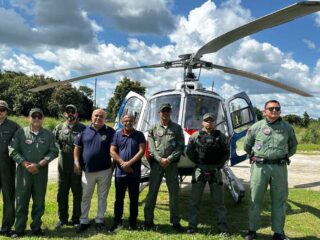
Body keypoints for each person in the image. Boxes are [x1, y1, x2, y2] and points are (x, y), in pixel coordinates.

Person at [244, 100, 298, 240]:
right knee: (255, 198)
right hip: (259, 167)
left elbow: (293, 146)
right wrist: (255, 156)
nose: (274, 110)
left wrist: (282, 157)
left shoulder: (287, 127)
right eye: (271, 108)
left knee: (279, 200)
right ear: (265, 111)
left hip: (279, 168)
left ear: (280, 110)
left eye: (277, 108)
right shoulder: (256, 127)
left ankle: (279, 232)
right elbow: (247, 145)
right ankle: (252, 230)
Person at [9, 108, 58, 237]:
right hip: (23, 173)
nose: (36, 119)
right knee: (21, 200)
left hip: (40, 173)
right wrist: (25, 164)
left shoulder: (48, 134)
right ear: (28, 118)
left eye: (39, 116)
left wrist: (40, 164)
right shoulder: (20, 133)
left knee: (39, 201)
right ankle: (19, 229)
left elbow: (54, 151)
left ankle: (36, 227)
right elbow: (12, 150)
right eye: (33, 116)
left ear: (43, 118)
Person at [186, 113, 230, 235]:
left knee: (219, 202)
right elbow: (189, 153)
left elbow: (226, 154)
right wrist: (198, 164)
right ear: (202, 122)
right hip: (200, 170)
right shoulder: (195, 136)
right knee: (195, 201)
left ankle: (223, 228)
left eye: (211, 120)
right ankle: (192, 226)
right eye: (206, 120)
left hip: (216, 171)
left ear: (214, 122)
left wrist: (219, 167)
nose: (209, 123)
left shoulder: (221, 136)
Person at [143, 103, 185, 231]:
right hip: (157, 164)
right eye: (163, 111)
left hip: (171, 165)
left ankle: (175, 221)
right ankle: (148, 220)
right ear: (159, 113)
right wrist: (159, 159)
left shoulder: (177, 128)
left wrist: (170, 159)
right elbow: (150, 147)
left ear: (170, 112)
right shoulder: (153, 128)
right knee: (152, 193)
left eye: (167, 111)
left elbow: (180, 146)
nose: (165, 113)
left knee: (174, 193)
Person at [74, 109, 115, 233]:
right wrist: (76, 163)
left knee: (102, 196)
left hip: (105, 170)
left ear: (105, 118)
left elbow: (114, 149)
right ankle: (84, 220)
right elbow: (77, 148)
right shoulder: (83, 131)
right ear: (92, 117)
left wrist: (113, 165)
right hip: (87, 171)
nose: (98, 118)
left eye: (101, 116)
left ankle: (99, 220)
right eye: (96, 115)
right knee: (86, 196)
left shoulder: (110, 132)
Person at [109, 114, 146, 232]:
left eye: (130, 121)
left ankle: (132, 223)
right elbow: (112, 151)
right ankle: (117, 221)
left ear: (134, 121)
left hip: (134, 173)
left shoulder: (139, 135)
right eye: (125, 121)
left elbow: (142, 151)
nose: (128, 123)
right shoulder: (117, 134)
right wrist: (122, 163)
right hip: (120, 173)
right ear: (122, 122)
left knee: (134, 199)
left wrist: (129, 163)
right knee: (119, 199)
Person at [53, 105, 85, 229]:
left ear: (77, 114)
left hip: (76, 164)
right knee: (61, 193)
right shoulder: (59, 127)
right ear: (64, 114)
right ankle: (62, 218)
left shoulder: (83, 128)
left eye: (73, 111)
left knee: (77, 193)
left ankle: (76, 218)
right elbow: (54, 143)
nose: (70, 114)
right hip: (62, 165)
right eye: (68, 112)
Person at [0, 100, 20, 236]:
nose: (0, 112)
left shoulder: (14, 126)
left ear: (7, 112)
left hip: (7, 166)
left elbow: (24, 142)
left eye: (3, 110)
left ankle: (6, 227)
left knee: (8, 197)